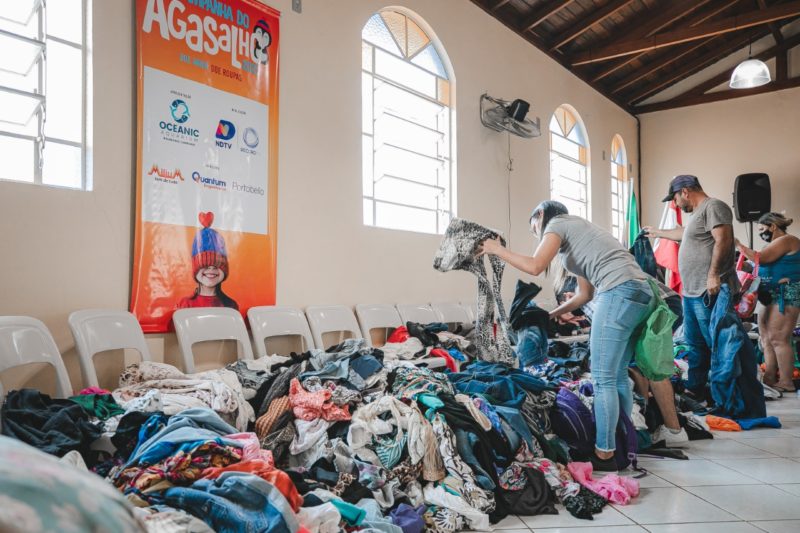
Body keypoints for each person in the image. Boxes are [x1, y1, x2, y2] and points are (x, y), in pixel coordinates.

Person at [479, 201, 656, 471]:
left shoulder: (557, 223)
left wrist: (496, 249)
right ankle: (623, 441)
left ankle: (605, 454)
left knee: (603, 377)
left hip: (619, 290)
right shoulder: (580, 235)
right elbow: (586, 295)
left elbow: (536, 266)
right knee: (618, 375)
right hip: (640, 293)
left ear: (540, 215)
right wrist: (549, 316)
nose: (537, 233)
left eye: (534, 227)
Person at [558, 276, 689, 447]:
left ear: (567, 297)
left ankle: (670, 430)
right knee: (640, 364)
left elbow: (607, 325)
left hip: (652, 302)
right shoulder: (594, 275)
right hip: (662, 299)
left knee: (647, 364)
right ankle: (648, 421)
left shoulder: (580, 290)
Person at [644, 175, 738, 402]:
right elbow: (683, 234)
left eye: (675, 198)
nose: (675, 204)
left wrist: (713, 275)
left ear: (685, 191)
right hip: (692, 292)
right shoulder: (698, 214)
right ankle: (696, 390)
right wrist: (657, 232)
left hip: (709, 291)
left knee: (715, 344)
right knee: (695, 345)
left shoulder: (713, 206)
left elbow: (723, 240)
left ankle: (723, 397)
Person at [737, 212, 800, 392]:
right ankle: (770, 377)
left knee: (778, 338)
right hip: (768, 294)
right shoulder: (770, 245)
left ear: (773, 226)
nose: (761, 233)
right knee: (765, 337)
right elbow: (759, 265)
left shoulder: (787, 240)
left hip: (785, 293)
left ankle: (786, 381)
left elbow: (761, 258)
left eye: (762, 229)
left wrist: (739, 245)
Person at [177, 212, 239, 310]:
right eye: (205, 265)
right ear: (195, 270)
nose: (211, 269)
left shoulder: (231, 305)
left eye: (217, 265)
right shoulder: (185, 304)